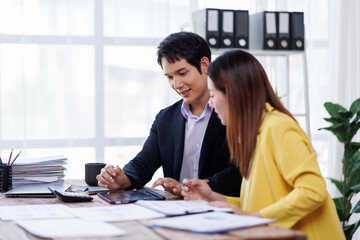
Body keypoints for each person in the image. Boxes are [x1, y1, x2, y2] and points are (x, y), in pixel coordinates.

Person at [181, 49, 345, 240]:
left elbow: (312, 191)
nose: (210, 104)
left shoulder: (278, 127)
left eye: (213, 95)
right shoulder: (256, 132)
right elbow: (264, 202)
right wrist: (214, 197)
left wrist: (253, 219)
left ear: (234, 94)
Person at [96, 32, 241, 197]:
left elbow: (239, 172)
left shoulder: (233, 112)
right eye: (170, 77)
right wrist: (124, 178)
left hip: (222, 210)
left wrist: (191, 188)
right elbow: (144, 162)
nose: (177, 84)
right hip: (177, 211)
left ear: (204, 65)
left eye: (183, 73)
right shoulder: (165, 118)